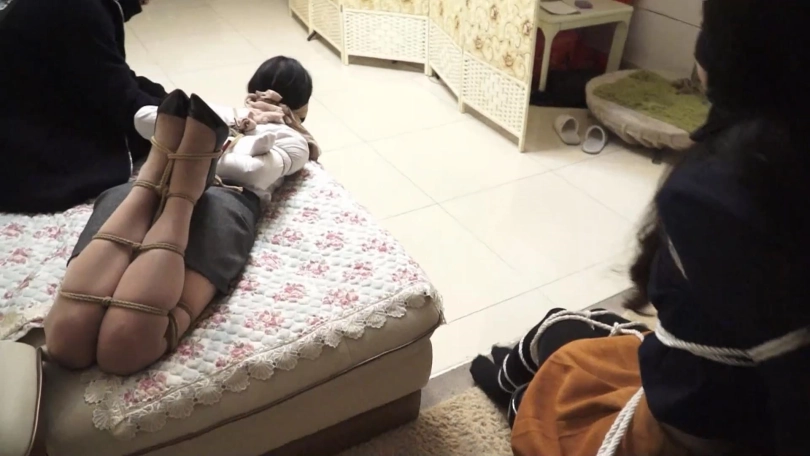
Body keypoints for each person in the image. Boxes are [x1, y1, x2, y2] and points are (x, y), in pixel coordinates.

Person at [471, 1, 810, 454]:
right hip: (706, 383)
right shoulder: (772, 154)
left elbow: (796, 388)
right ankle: (508, 379)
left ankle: (513, 397)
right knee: (564, 338)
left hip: (691, 425)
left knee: (549, 391)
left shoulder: (721, 195)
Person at [44, 57, 318, 375]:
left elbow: (251, 171)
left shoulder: (279, 135)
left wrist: (194, 153)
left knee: (72, 339)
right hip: (223, 197)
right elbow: (145, 117)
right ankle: (169, 189)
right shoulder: (276, 133)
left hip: (206, 187)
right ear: (303, 108)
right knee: (99, 343)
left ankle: (166, 184)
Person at [0, 0, 167, 213]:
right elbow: (120, 100)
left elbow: (105, 70)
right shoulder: (80, 8)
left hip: (32, 108)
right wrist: (183, 124)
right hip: (24, 156)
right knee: (154, 137)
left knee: (155, 101)